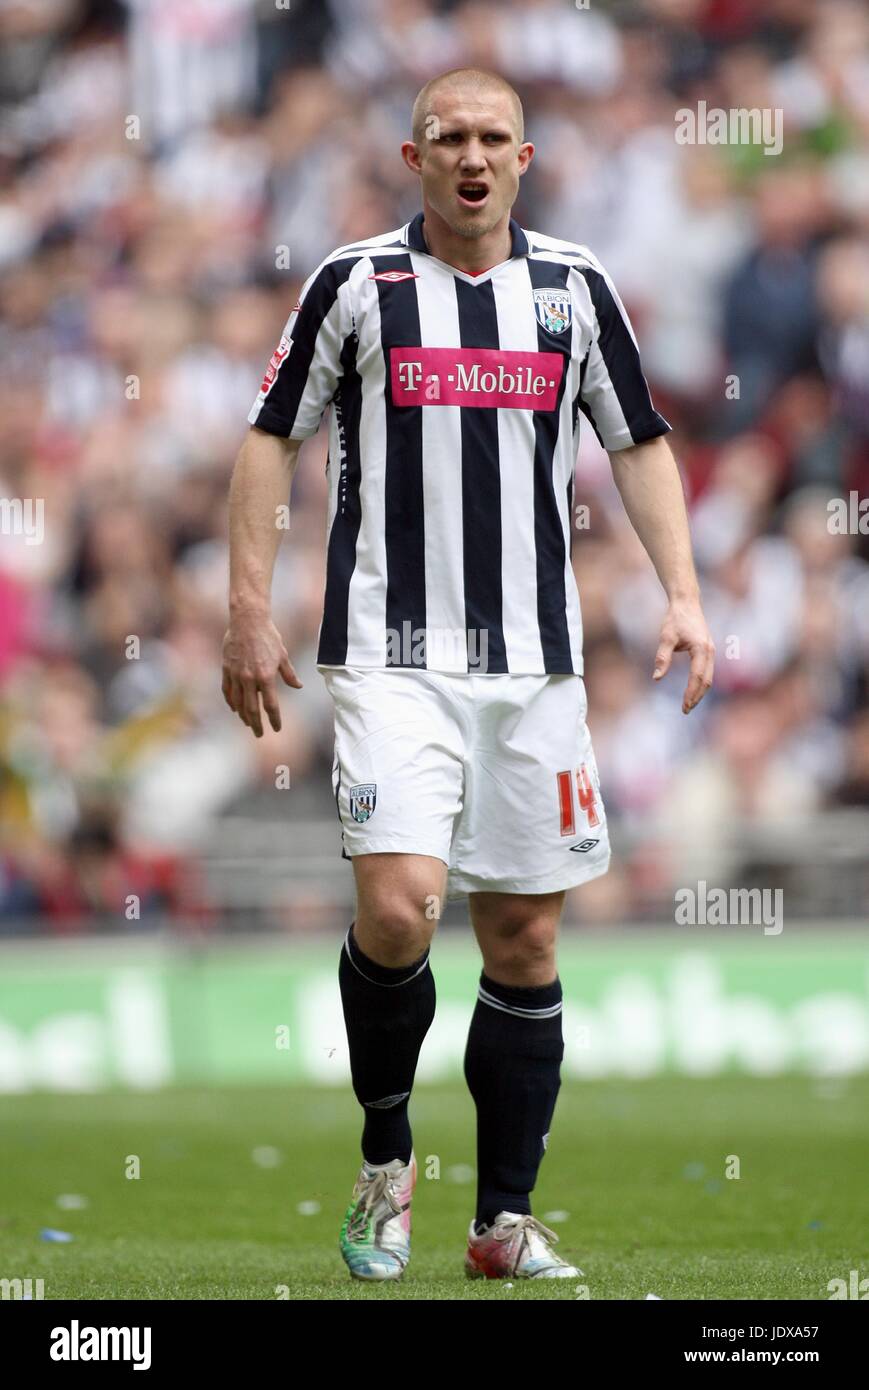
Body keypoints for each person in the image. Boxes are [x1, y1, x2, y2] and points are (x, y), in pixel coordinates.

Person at [222, 68, 714, 1283]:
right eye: (449, 137)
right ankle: (385, 1162)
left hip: (534, 666)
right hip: (391, 655)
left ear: (526, 157)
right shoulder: (354, 283)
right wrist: (245, 608)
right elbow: (268, 438)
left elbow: (638, 441)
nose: (472, 156)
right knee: (398, 908)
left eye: (494, 137)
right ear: (413, 157)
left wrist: (684, 593)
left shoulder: (575, 288)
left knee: (524, 937)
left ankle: (500, 1220)